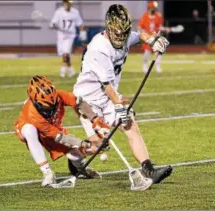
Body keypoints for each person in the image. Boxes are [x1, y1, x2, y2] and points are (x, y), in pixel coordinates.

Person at [73, 4, 173, 184]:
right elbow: (107, 86)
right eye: (117, 33)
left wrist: (153, 40)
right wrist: (119, 106)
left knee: (130, 125)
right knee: (99, 145)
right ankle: (74, 159)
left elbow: (139, 35)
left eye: (123, 33)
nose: (121, 37)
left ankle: (149, 170)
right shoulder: (99, 48)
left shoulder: (125, 35)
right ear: (109, 28)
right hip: (88, 101)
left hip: (108, 97)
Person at [15, 75, 108, 187]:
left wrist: (95, 119)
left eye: (53, 105)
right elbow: (60, 137)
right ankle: (47, 172)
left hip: (53, 128)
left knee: (75, 156)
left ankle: (81, 169)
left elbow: (79, 102)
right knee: (29, 130)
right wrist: (85, 144)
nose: (51, 108)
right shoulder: (33, 114)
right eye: (47, 106)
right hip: (30, 128)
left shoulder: (58, 95)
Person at [50, 0, 87, 78]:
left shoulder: (75, 12)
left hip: (70, 36)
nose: (68, 4)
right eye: (66, 3)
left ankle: (62, 72)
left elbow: (80, 24)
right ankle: (71, 71)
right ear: (63, 3)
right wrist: (53, 25)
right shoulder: (58, 12)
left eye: (69, 3)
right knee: (64, 55)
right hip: (61, 37)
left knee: (66, 53)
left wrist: (83, 37)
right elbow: (53, 23)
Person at [138, 1, 167, 73]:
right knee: (147, 53)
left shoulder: (159, 16)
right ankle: (145, 66)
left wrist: (164, 29)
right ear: (150, 8)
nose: (154, 9)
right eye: (153, 8)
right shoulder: (145, 16)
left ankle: (158, 67)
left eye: (155, 8)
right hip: (148, 38)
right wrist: (143, 33)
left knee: (158, 52)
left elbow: (160, 27)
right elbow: (139, 26)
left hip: (156, 37)